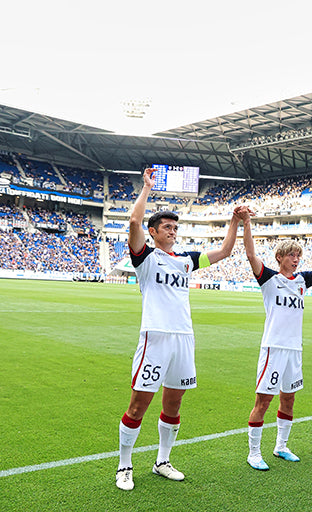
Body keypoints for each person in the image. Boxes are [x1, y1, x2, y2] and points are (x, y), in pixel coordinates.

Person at [116, 168, 242, 491]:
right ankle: (124, 465)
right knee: (138, 404)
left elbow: (226, 251)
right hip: (155, 338)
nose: (172, 231)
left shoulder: (187, 261)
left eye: (175, 227)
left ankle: (162, 461)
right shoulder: (145, 258)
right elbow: (133, 223)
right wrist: (146, 188)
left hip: (184, 339)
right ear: (153, 232)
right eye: (166, 227)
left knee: (173, 404)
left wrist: (235, 221)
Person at [242, 211, 312, 471]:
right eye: (291, 255)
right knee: (263, 401)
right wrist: (246, 223)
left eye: (298, 256)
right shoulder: (269, 279)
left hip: (294, 350)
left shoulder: (302, 280)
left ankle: (281, 446)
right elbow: (251, 255)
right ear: (280, 258)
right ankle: (254, 452)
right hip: (273, 348)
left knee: (289, 399)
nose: (296, 259)